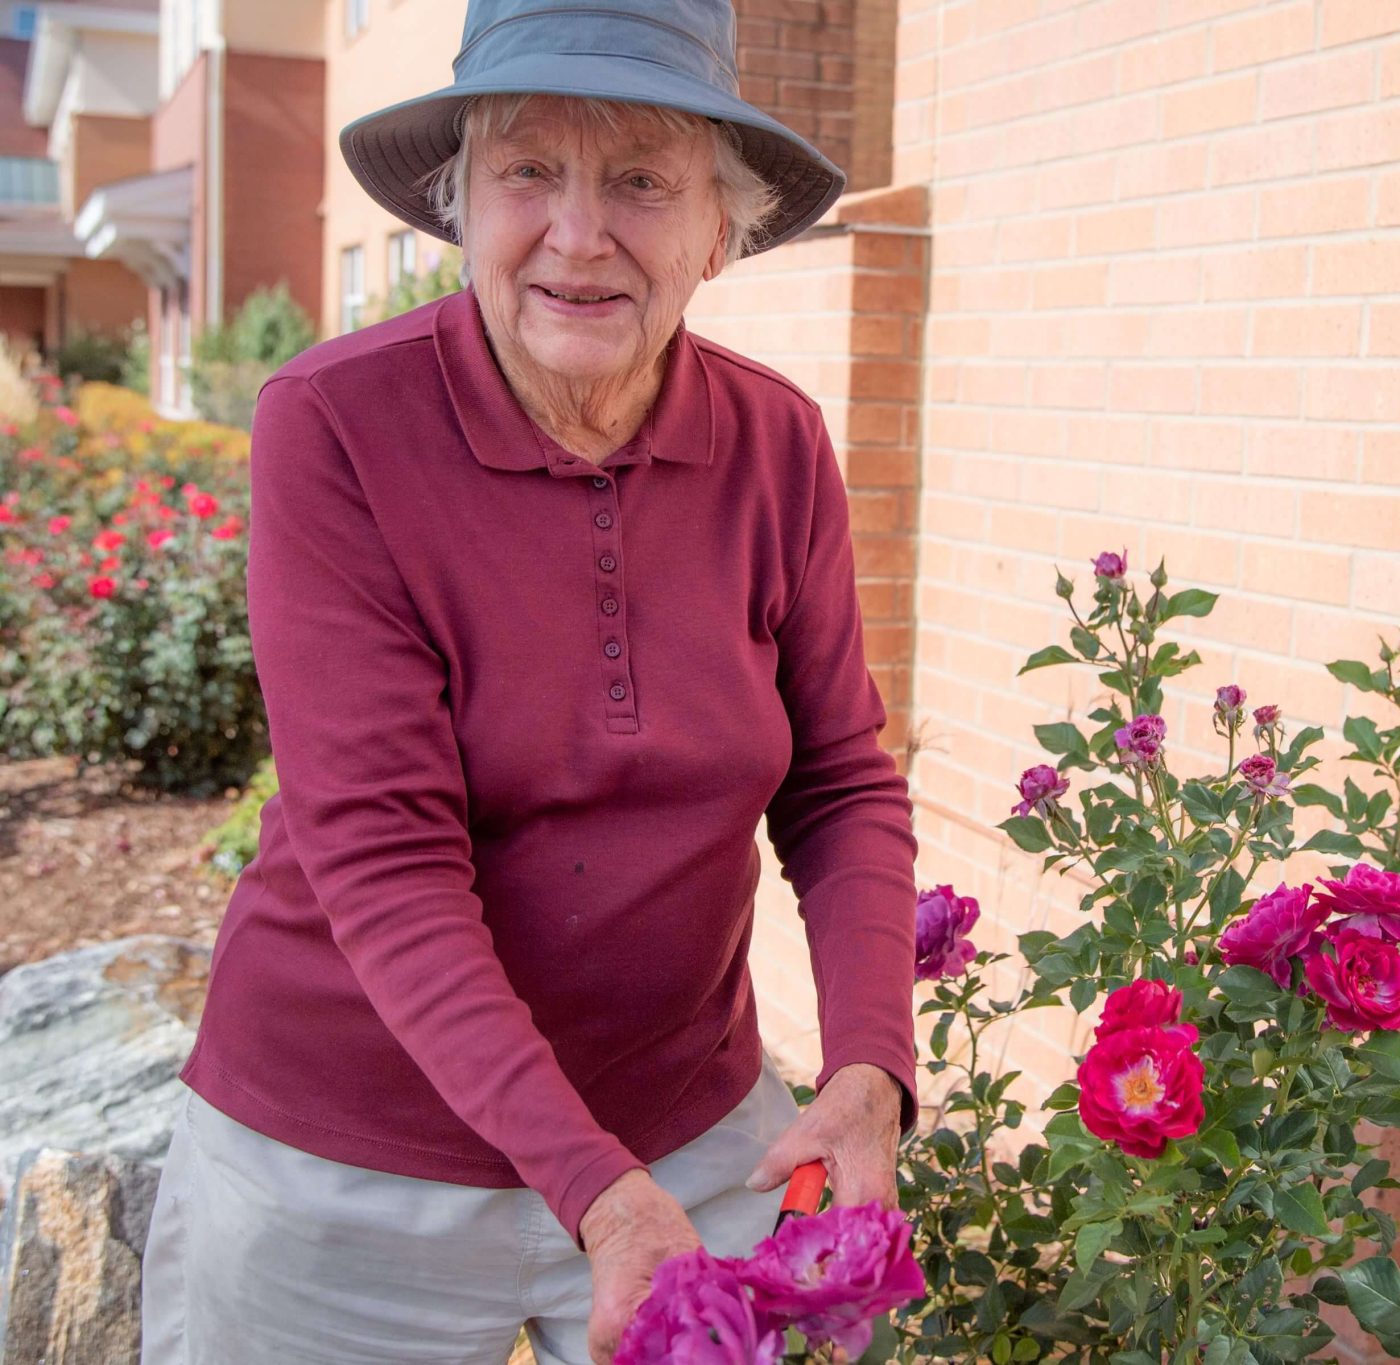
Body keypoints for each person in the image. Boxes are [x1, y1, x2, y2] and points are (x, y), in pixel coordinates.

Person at [137, 3, 916, 1361]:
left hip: (685, 1135)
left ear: (716, 231)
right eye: (529, 171)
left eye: (640, 179)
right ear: (460, 205)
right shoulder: (333, 426)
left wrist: (869, 1066)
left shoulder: (778, 447)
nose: (577, 232)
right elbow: (381, 855)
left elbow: (841, 779)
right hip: (348, 1168)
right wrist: (592, 1188)